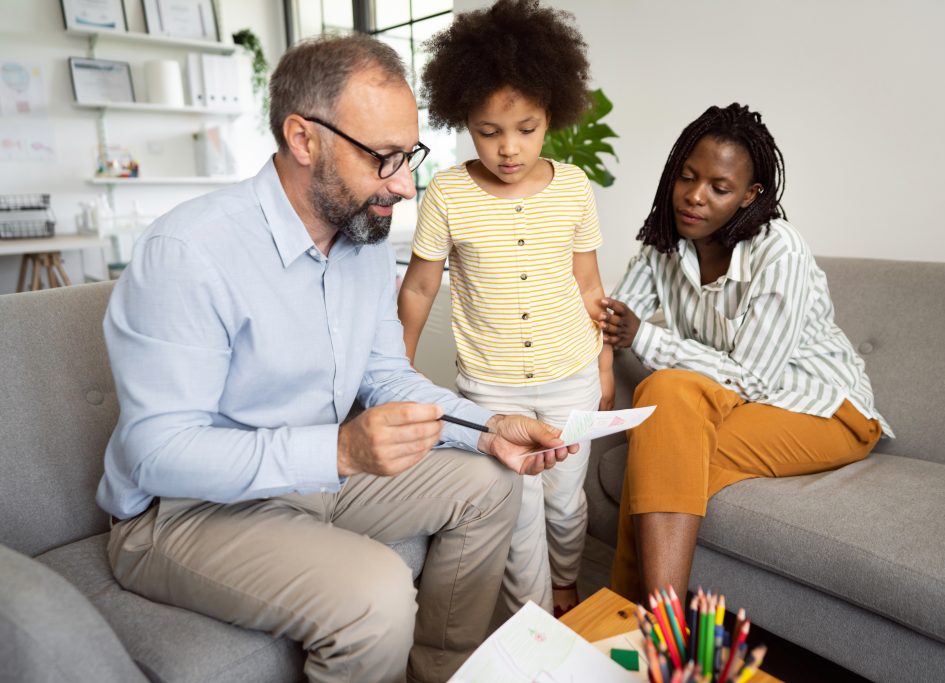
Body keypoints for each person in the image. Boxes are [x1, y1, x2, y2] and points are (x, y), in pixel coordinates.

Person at [96, 34, 578, 683]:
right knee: (376, 595)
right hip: (183, 514)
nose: (406, 186)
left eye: (410, 156)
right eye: (384, 159)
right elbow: (159, 452)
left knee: (491, 479)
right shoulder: (189, 252)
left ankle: (443, 671)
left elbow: (386, 375)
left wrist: (489, 427)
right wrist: (342, 452)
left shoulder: (363, 241)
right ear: (303, 139)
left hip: (314, 479)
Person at [598, 103, 894, 601]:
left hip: (824, 410)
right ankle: (658, 631)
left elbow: (752, 380)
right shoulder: (663, 246)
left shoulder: (780, 249)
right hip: (737, 406)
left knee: (659, 441)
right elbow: (611, 316)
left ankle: (637, 621)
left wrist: (643, 336)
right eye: (687, 178)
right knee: (666, 397)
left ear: (749, 195)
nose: (695, 197)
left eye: (719, 187)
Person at [397, 0, 613, 619]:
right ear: (463, 118)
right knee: (515, 511)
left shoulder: (573, 186)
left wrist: (602, 365)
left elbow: (589, 283)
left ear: (553, 115)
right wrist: (399, 369)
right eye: (489, 132)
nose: (509, 149)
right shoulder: (446, 192)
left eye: (527, 128)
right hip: (490, 387)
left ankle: (567, 583)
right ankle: (538, 620)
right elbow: (417, 289)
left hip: (570, 374)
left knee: (565, 505)